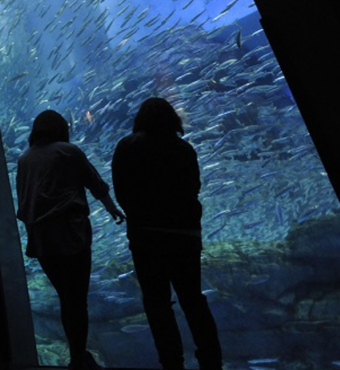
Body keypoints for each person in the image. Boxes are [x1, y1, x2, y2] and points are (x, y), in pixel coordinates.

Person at [111, 98, 222, 370]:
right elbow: (193, 187)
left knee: (157, 303)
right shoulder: (183, 148)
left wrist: (139, 216)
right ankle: (211, 360)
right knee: (193, 299)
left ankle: (172, 363)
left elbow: (121, 190)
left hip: (145, 236)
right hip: (184, 234)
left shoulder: (127, 147)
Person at [15, 110, 124, 370]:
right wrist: (112, 209)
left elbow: (24, 199)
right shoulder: (68, 151)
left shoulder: (24, 159)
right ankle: (79, 356)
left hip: (40, 240)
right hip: (70, 235)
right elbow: (95, 184)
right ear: (60, 128)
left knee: (66, 297)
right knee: (77, 298)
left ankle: (78, 353)